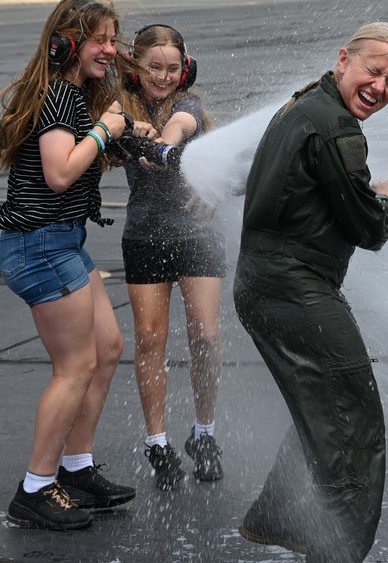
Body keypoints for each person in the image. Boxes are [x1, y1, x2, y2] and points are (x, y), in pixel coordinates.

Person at [232, 22, 388, 561]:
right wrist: (387, 202)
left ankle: (280, 515)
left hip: (266, 285)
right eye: (374, 71)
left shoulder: (304, 104)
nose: (380, 87)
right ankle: (336, 550)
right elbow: (366, 227)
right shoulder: (336, 128)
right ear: (344, 60)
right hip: (292, 289)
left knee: (324, 409)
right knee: (353, 420)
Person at [0, 0, 151, 530]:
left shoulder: (70, 96)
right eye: (99, 39)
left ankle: (76, 469)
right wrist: (107, 129)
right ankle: (35, 489)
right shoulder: (59, 96)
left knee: (107, 349)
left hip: (61, 241)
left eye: (112, 38)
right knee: (75, 365)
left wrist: (124, 137)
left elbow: (78, 161)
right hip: (40, 245)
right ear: (67, 44)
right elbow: (60, 173)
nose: (110, 49)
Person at [117, 24, 225, 490]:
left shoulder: (190, 105)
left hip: (197, 234)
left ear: (186, 70)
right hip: (144, 236)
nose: (164, 76)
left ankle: (205, 434)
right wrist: (131, 132)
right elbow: (112, 133)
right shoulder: (120, 111)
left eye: (173, 68)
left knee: (206, 332)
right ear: (136, 68)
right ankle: (158, 443)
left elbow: (181, 127)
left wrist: (164, 143)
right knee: (149, 339)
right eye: (154, 67)